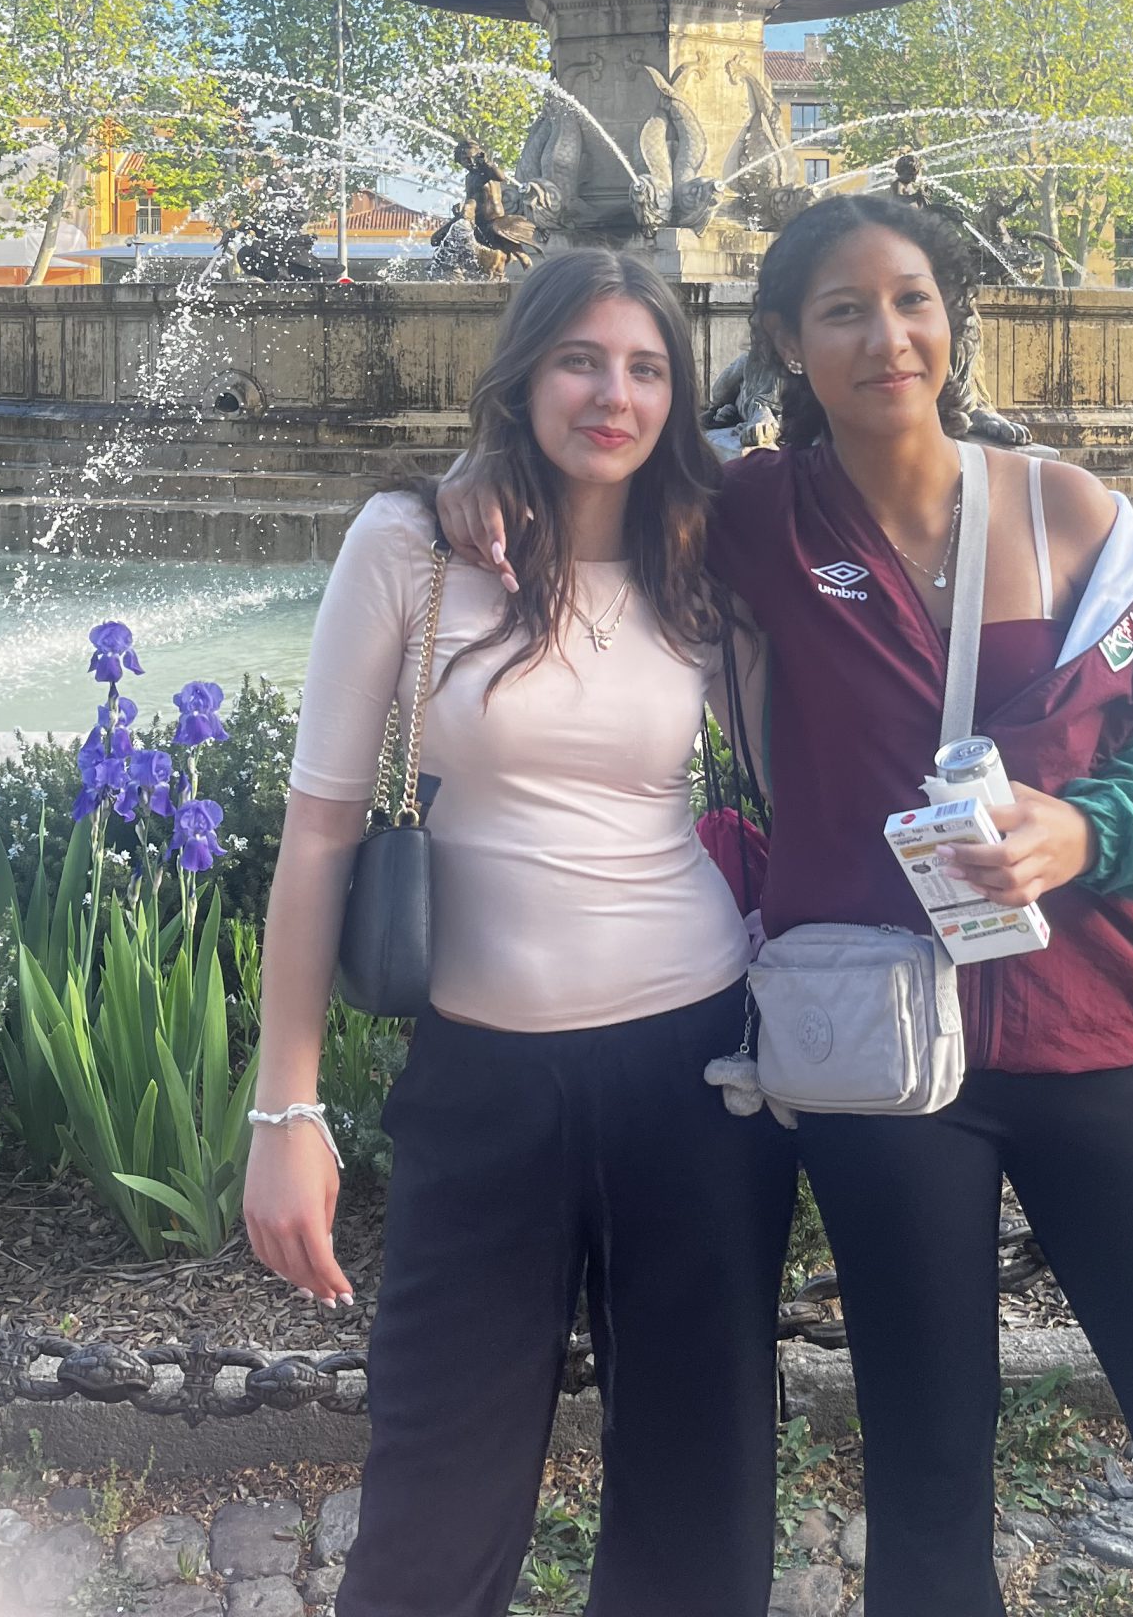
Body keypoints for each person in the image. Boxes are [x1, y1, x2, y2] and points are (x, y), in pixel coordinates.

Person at [439, 195, 1133, 1617]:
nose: (887, 336)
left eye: (912, 301)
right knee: (929, 1490)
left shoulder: (1072, 513)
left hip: (1095, 1035)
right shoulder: (755, 516)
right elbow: (597, 474)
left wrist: (1083, 830)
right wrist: (483, 469)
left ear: (951, 321)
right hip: (881, 1063)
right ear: (787, 340)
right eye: (843, 310)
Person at [244, 247, 796, 1617]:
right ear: (524, 374)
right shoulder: (411, 546)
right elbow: (317, 835)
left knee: (699, 1506)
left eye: (648, 368)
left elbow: (806, 763)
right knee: (433, 1508)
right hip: (482, 1082)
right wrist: (286, 1111)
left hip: (698, 1069)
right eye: (581, 361)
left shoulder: (701, 558)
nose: (615, 395)